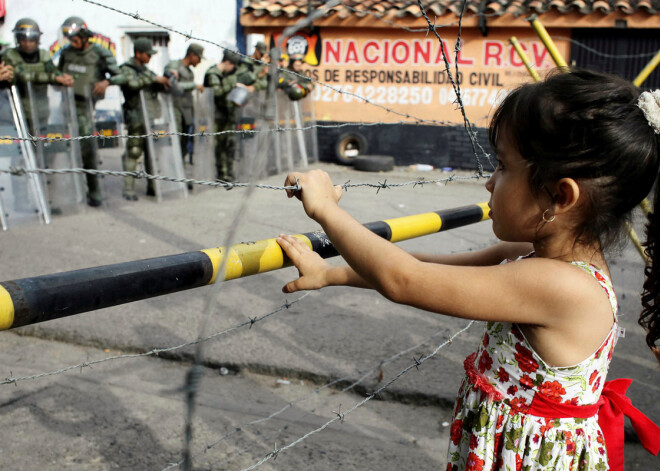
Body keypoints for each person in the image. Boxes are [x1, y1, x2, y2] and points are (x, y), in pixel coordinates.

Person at [276, 69, 660, 470]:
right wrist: (330, 273)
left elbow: (404, 280)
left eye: (503, 166)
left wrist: (327, 210)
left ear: (560, 196)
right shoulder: (539, 259)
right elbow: (428, 270)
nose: (490, 183)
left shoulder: (561, 285)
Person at [58, 16, 125, 207]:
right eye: (69, 37)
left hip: (85, 108)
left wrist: (106, 82)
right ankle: (68, 192)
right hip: (65, 107)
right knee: (64, 150)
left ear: (84, 34)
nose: (73, 41)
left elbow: (121, 76)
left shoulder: (99, 53)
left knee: (88, 150)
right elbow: (57, 72)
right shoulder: (66, 53)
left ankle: (94, 191)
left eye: (75, 37)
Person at [118, 37, 170, 201]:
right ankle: (129, 189)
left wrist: (165, 81)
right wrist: (154, 79)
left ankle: (153, 187)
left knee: (153, 152)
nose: (150, 57)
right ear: (138, 53)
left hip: (151, 117)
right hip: (137, 117)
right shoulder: (127, 69)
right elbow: (132, 84)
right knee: (133, 152)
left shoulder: (146, 70)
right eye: (147, 54)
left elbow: (156, 84)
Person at [2, 18, 73, 129]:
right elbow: (21, 76)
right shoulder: (10, 55)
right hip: (17, 112)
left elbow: (54, 71)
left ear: (37, 39)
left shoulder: (43, 55)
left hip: (41, 112)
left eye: (31, 40)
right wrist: (54, 78)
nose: (27, 44)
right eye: (23, 39)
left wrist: (64, 78)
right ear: (18, 39)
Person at [203, 50, 250, 181]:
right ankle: (221, 174)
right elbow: (216, 92)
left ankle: (227, 172)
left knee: (227, 144)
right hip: (216, 116)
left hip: (225, 114)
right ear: (228, 62)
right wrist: (233, 85)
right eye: (233, 65)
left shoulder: (222, 74)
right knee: (219, 146)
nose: (233, 69)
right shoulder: (213, 74)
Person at [164, 43, 204, 166]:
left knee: (184, 144)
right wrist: (194, 85)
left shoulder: (189, 72)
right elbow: (173, 86)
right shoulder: (175, 66)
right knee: (176, 142)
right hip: (175, 110)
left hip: (187, 112)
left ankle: (180, 170)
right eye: (199, 57)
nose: (200, 61)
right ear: (191, 55)